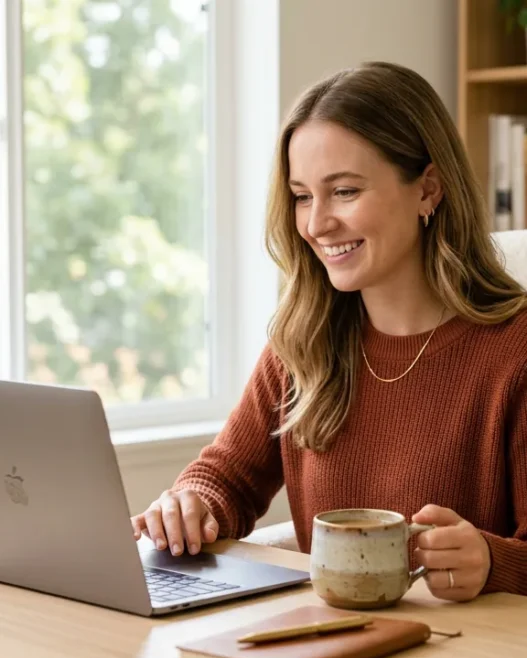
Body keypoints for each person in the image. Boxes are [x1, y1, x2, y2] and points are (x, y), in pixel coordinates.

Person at [131, 61, 527, 602]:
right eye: (301, 195)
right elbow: (228, 478)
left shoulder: (515, 352)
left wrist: (490, 559)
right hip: (325, 655)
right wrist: (191, 502)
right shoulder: (303, 341)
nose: (317, 224)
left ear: (428, 190)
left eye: (343, 191)